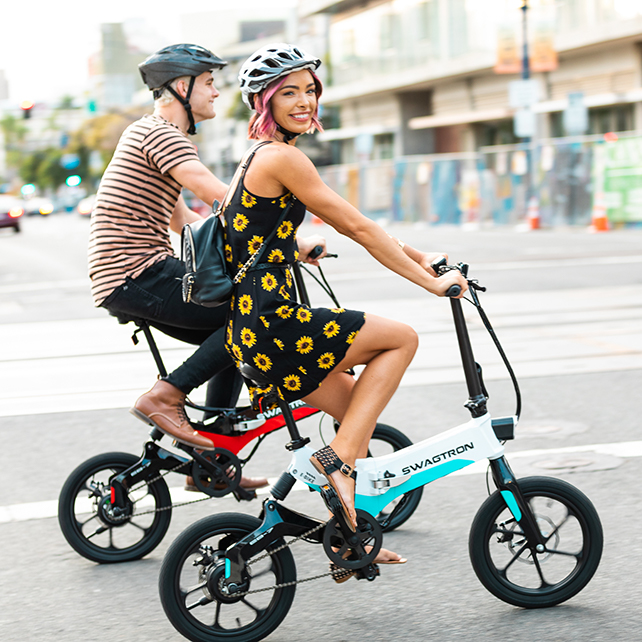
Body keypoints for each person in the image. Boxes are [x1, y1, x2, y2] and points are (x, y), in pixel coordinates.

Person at [223, 43, 468, 559]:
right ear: (263, 101)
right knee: (401, 339)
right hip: (277, 324)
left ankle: (352, 536)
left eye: (310, 90)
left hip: (252, 332)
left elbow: (330, 225)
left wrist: (422, 256)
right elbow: (355, 225)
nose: (304, 101)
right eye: (288, 92)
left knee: (356, 407)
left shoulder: (255, 159)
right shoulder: (283, 158)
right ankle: (339, 461)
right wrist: (430, 285)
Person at [88, 43, 325, 490]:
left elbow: (193, 221)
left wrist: (261, 250)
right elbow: (228, 201)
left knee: (240, 331)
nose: (217, 92)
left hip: (129, 273)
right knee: (247, 317)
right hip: (136, 272)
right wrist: (292, 240)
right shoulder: (162, 136)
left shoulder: (150, 134)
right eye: (210, 83)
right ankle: (166, 396)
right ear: (183, 87)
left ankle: (213, 454)